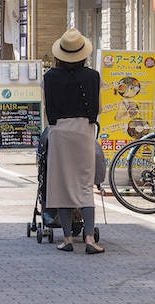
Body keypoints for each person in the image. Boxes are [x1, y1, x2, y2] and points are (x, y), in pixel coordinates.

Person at [42, 28, 104, 254]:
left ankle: (67, 239)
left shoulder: (49, 77)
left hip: (59, 131)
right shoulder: (94, 76)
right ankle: (89, 239)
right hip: (84, 132)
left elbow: (47, 108)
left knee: (61, 185)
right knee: (85, 185)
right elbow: (98, 108)